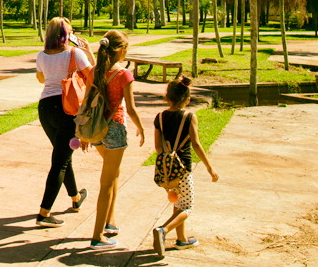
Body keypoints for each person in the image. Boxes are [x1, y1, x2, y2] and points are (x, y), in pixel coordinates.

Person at [86, 30, 144, 249]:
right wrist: (141, 128)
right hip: (115, 130)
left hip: (97, 131)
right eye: (126, 49)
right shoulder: (124, 75)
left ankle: (109, 222)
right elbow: (130, 108)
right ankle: (98, 235)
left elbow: (87, 102)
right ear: (119, 50)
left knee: (114, 174)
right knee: (106, 183)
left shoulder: (94, 71)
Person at [34, 17, 94, 227]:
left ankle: (76, 198)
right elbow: (93, 77)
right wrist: (88, 52)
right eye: (70, 31)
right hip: (66, 108)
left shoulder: (41, 56)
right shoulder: (75, 53)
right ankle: (44, 213)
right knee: (59, 162)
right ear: (64, 35)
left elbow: (41, 79)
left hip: (45, 108)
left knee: (62, 155)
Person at [151, 75, 219, 256]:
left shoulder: (159, 117)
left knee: (178, 203)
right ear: (187, 99)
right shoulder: (189, 117)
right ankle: (163, 231)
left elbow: (158, 147)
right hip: (184, 170)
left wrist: (167, 162)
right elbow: (196, 144)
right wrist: (209, 167)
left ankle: (182, 239)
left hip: (166, 171)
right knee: (187, 206)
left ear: (167, 98)